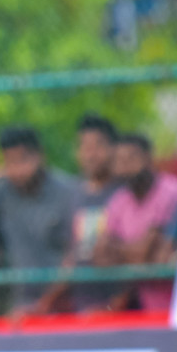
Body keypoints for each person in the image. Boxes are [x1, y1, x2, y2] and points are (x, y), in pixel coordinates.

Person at [0, 126, 77, 315]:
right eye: (10, 162)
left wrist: (45, 304)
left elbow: (75, 256)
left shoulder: (68, 193)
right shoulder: (2, 191)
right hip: (18, 307)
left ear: (40, 156)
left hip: (64, 306)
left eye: (23, 160)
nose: (17, 170)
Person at [95, 132, 177, 311]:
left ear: (148, 159)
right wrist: (132, 252)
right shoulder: (118, 201)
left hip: (171, 302)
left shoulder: (172, 192)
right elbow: (101, 256)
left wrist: (118, 250)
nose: (125, 166)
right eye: (119, 161)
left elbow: (144, 253)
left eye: (131, 159)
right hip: (132, 302)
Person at [71, 114, 120, 311]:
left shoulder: (125, 193)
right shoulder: (71, 194)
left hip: (119, 307)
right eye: (84, 147)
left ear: (113, 149)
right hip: (80, 306)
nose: (91, 154)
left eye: (98, 146)